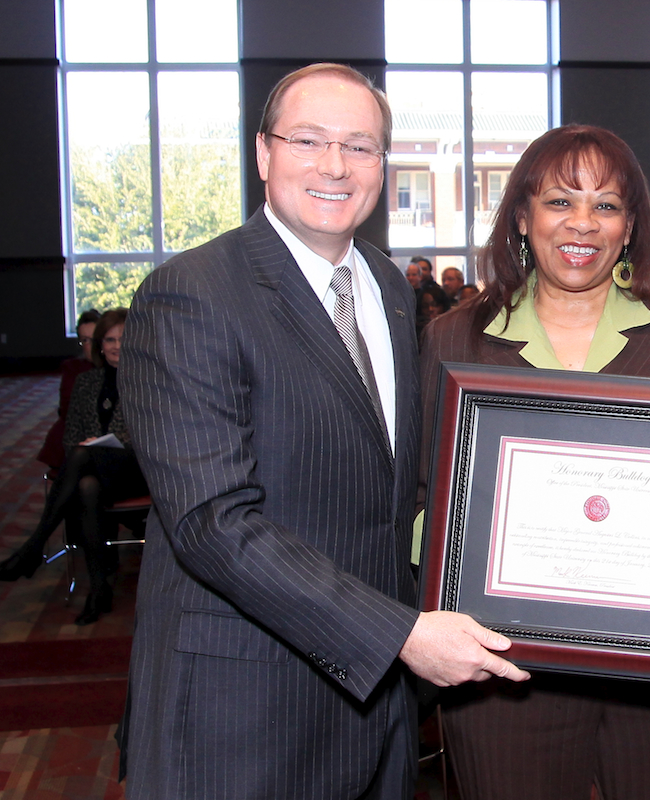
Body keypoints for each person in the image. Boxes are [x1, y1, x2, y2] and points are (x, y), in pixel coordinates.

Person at [118, 63, 528, 800]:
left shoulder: (391, 289)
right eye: (309, 140)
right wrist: (400, 636)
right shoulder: (191, 295)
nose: (335, 166)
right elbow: (213, 523)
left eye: (361, 146)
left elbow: (388, 492)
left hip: (376, 715)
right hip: (244, 712)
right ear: (263, 153)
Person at [419, 123, 650, 800]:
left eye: (607, 205)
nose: (582, 223)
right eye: (560, 201)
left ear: (630, 228)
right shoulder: (454, 337)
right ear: (523, 218)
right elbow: (423, 495)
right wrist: (456, 558)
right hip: (504, 673)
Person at [1, 308, 148, 625]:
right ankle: (98, 590)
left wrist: (108, 441)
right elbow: (71, 437)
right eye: (109, 339)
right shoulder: (85, 382)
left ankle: (34, 546)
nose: (116, 346)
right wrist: (90, 445)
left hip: (136, 470)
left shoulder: (147, 380)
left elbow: (151, 435)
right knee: (86, 484)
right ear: (99, 344)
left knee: (83, 460)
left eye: (123, 338)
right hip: (95, 469)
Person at [36, 308, 100, 469]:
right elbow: (67, 410)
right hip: (75, 434)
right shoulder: (73, 370)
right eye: (85, 340)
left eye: (95, 339)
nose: (90, 346)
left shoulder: (120, 367)